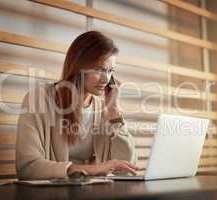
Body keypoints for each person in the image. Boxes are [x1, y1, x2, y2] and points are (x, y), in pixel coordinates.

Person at [15, 31, 138, 180]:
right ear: (78, 67)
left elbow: (126, 169)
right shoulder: (38, 99)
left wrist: (114, 111)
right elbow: (27, 167)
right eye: (98, 69)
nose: (106, 78)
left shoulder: (104, 108)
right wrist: (91, 170)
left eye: (111, 71)